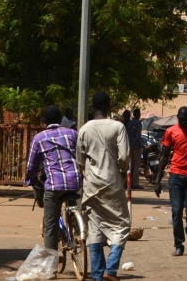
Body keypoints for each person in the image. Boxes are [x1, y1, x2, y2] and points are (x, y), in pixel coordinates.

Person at [77, 92, 131, 281]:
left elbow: (80, 160)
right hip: (112, 181)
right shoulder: (118, 127)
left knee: (95, 227)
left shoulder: (84, 129)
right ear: (108, 106)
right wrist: (122, 170)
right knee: (121, 224)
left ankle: (98, 275)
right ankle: (111, 269)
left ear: (93, 106)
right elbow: (124, 157)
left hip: (91, 183)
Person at [25, 105, 82, 253]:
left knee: (50, 225)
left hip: (54, 185)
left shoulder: (39, 138)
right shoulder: (72, 134)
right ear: (60, 119)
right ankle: (75, 226)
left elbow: (31, 166)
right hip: (75, 182)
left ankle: (52, 266)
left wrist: (30, 179)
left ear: (44, 121)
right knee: (70, 197)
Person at [155, 107, 187, 256]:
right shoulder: (171, 131)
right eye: (180, 119)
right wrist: (158, 180)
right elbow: (164, 156)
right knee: (176, 212)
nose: (182, 122)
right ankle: (179, 244)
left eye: (185, 119)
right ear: (177, 117)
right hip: (176, 176)